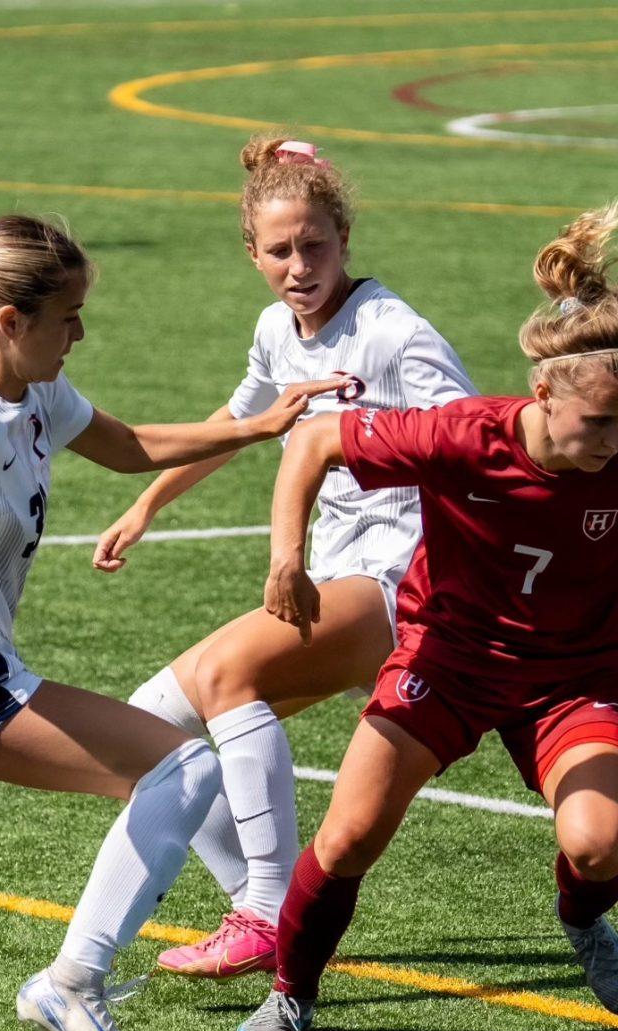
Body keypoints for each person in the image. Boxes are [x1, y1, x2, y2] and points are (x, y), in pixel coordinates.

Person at [230, 198, 618, 1031]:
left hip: (574, 678)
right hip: (444, 660)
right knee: (347, 838)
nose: (617, 438)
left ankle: (583, 918)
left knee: (597, 845)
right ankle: (293, 992)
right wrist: (285, 558)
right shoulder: (462, 435)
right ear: (544, 393)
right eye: (599, 421)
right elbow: (314, 444)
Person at [0, 214, 345, 1031]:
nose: (81, 334)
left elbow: (130, 446)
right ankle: (71, 982)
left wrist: (258, 429)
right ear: (10, 323)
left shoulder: (32, 397)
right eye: (67, 317)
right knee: (180, 770)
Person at [92, 137, 477, 980]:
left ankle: (267, 910)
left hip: (398, 585)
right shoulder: (276, 328)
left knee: (229, 673)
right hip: (335, 580)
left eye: (315, 246)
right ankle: (274, 919)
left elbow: (476, 441)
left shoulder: (392, 333)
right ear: (252, 253)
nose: (299, 265)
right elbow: (240, 422)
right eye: (280, 250)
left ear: (345, 240)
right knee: (150, 730)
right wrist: (146, 503)